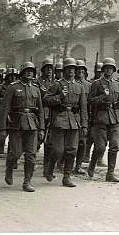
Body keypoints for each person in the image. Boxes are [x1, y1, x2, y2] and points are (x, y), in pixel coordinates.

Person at [0, 62, 45, 192]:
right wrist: (2, 128)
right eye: (27, 71)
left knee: (31, 155)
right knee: (16, 153)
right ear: (22, 73)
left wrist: (42, 128)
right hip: (16, 124)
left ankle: (27, 181)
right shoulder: (13, 87)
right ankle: (9, 168)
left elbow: (40, 110)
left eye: (32, 71)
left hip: (32, 124)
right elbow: (4, 108)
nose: (29, 73)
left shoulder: (36, 89)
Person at [43, 58, 88, 187]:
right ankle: (50, 166)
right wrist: (59, 97)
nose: (71, 71)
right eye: (68, 69)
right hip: (59, 119)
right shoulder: (57, 84)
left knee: (72, 150)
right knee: (58, 151)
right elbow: (46, 100)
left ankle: (66, 177)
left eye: (73, 69)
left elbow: (83, 107)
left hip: (74, 120)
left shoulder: (79, 87)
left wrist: (84, 125)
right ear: (64, 70)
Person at [87, 57, 119, 182]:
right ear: (103, 70)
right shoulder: (96, 83)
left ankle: (110, 173)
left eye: (111, 68)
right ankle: (93, 162)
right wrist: (103, 97)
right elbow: (90, 100)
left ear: (114, 70)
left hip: (114, 118)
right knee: (100, 148)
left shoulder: (117, 84)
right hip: (101, 118)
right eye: (106, 68)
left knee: (114, 146)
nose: (109, 70)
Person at [36, 58, 54, 176]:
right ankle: (30, 164)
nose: (49, 71)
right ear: (42, 70)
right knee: (36, 141)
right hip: (39, 114)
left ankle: (46, 169)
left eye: (50, 69)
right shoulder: (37, 82)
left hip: (51, 114)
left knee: (49, 143)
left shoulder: (55, 83)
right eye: (46, 68)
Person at [73, 59, 91, 175]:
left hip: (84, 116)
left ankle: (78, 165)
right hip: (72, 115)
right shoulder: (70, 83)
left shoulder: (89, 85)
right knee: (69, 142)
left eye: (82, 70)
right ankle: (62, 162)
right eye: (78, 70)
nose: (80, 72)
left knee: (82, 142)